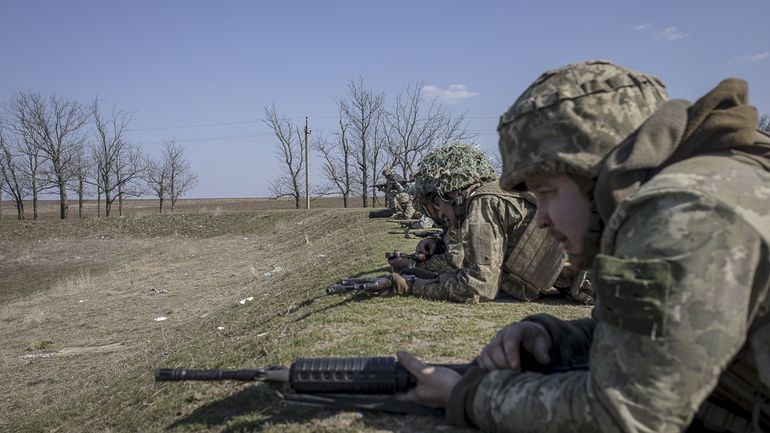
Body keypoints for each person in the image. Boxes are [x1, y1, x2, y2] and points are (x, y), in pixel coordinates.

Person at [397, 60, 770, 432]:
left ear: (597, 172)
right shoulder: (700, 187)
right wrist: (555, 339)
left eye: (546, 192)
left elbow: (623, 417)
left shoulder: (682, 213)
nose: (540, 218)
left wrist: (470, 396)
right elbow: (650, 336)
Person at [387, 143, 589, 303]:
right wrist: (436, 248)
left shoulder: (484, 203)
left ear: (449, 194)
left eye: (436, 204)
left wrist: (412, 286)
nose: (439, 214)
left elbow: (479, 285)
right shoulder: (495, 192)